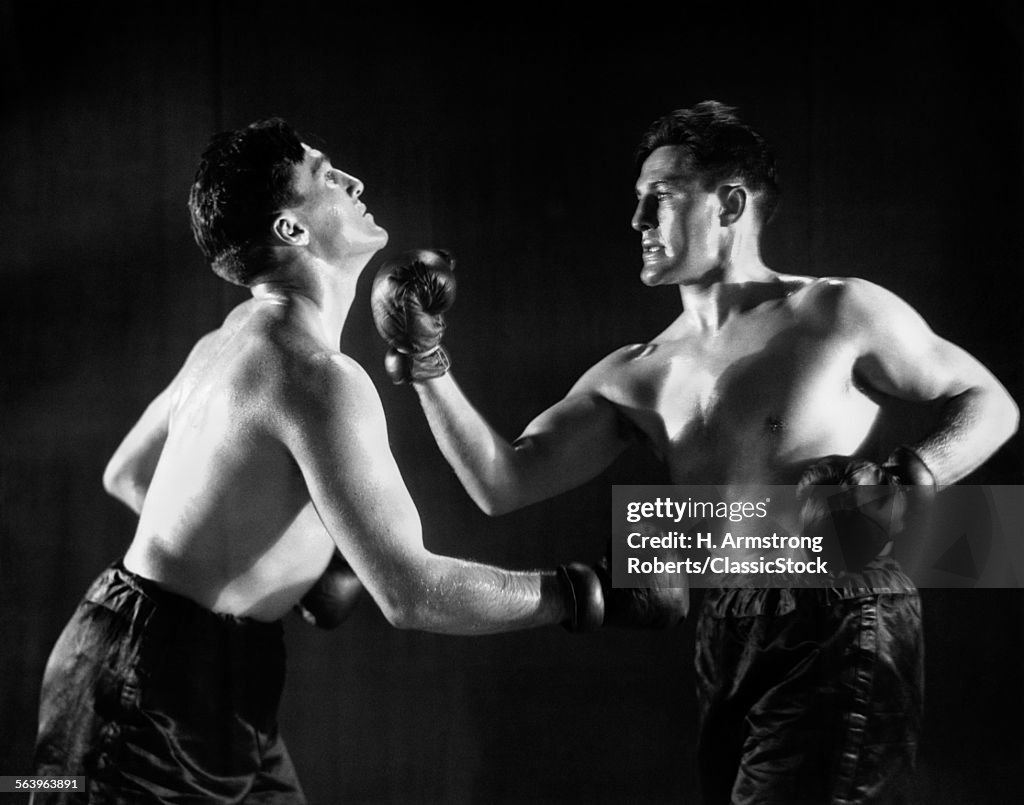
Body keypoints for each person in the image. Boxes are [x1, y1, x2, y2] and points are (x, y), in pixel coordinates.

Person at [371, 102, 1019, 803]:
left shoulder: (838, 311)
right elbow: (502, 483)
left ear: (730, 203)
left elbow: (993, 403)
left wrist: (914, 475)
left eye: (660, 198)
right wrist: (426, 363)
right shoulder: (636, 371)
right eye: (637, 201)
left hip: (841, 609)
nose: (638, 221)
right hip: (727, 623)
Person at [31, 118, 610, 804]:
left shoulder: (237, 332)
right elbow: (409, 591)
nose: (353, 181)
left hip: (199, 680)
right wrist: (581, 592)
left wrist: (303, 571)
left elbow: (126, 472)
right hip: (137, 696)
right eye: (327, 175)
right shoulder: (316, 375)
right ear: (291, 231)